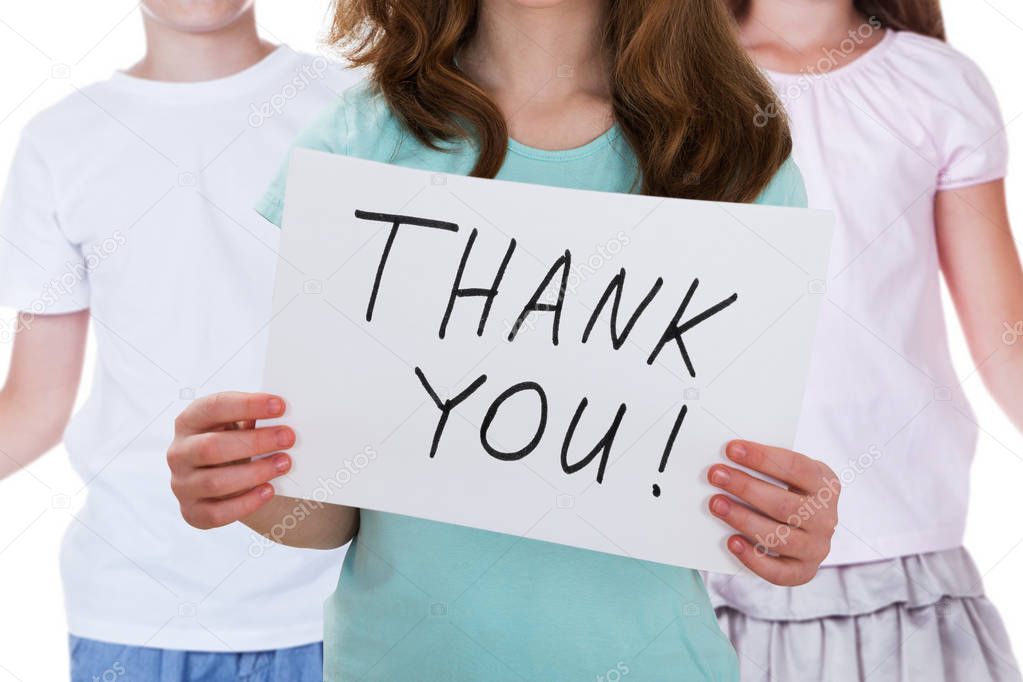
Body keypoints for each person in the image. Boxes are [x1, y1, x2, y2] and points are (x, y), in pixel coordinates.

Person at [166, 0, 843, 680]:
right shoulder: (358, 139)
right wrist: (240, 481)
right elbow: (326, 511)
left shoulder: (731, 153)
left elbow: (731, 485)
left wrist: (786, 525)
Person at [0, 1, 360, 680]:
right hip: (133, 613)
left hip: (338, 599)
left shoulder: (355, 109)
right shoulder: (61, 141)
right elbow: (32, 406)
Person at [706, 1, 1023, 680]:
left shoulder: (935, 83)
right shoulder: (668, 78)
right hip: (706, 542)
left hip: (896, 546)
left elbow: (1007, 342)